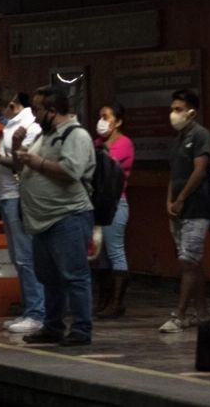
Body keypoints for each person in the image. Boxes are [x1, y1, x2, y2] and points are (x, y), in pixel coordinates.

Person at [13, 86, 96, 346]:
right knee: (49, 277)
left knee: (75, 275)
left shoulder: (76, 134)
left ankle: (81, 330)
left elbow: (71, 170)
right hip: (42, 220)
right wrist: (16, 148)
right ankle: (52, 326)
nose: (34, 116)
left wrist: (36, 163)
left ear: (52, 110)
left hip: (68, 216)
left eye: (37, 110)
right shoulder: (45, 135)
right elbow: (20, 166)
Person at [0, 86, 45, 335]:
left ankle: (37, 313)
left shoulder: (29, 127)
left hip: (20, 197)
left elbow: (24, 164)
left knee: (26, 258)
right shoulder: (12, 126)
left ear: (11, 104)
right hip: (9, 196)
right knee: (20, 258)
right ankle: (31, 310)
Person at [160, 89, 210, 333]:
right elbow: (175, 174)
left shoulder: (201, 135)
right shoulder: (178, 140)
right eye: (172, 109)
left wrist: (181, 199)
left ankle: (179, 314)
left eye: (178, 109)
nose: (173, 114)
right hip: (178, 209)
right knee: (192, 263)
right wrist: (170, 199)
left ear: (192, 112)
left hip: (197, 208)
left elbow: (199, 170)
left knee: (188, 260)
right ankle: (201, 314)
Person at [91, 102, 134, 319]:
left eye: (106, 117)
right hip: (99, 204)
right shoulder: (97, 142)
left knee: (115, 250)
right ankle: (104, 301)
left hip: (117, 203)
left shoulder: (124, 143)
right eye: (100, 116)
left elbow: (106, 167)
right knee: (101, 255)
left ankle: (117, 303)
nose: (102, 121)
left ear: (118, 122)